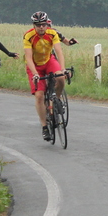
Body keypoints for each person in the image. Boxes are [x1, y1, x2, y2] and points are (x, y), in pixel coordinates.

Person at [22, 11, 67, 141]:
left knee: (61, 78)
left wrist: (63, 69)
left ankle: (57, 99)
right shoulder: (28, 36)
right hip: (35, 66)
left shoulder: (52, 33)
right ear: (34, 25)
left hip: (48, 61)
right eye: (38, 25)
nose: (41, 27)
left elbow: (59, 52)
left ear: (47, 24)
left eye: (43, 24)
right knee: (39, 96)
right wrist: (35, 74)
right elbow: (28, 58)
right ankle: (44, 126)